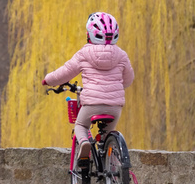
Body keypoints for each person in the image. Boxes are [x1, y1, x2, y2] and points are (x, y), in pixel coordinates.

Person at [43, 12, 135, 165]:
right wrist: (118, 85)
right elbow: (128, 80)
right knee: (107, 137)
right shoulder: (122, 55)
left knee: (81, 125)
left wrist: (48, 80)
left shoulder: (84, 54)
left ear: (89, 35)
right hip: (114, 107)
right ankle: (113, 173)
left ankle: (85, 143)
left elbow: (64, 73)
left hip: (92, 105)